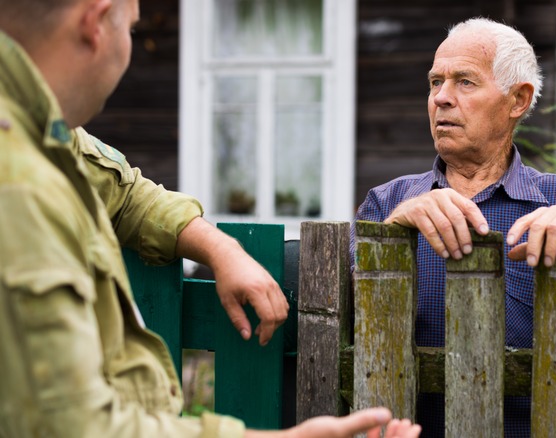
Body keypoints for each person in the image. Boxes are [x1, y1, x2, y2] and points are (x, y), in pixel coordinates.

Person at [0, 0, 421, 437]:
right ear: (96, 23)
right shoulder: (19, 186)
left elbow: (123, 193)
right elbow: (74, 427)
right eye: (131, 27)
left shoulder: (42, 133)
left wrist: (221, 248)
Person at [353, 17, 556, 437]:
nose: (441, 98)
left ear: (518, 100)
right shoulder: (387, 202)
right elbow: (340, 321)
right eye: (434, 82)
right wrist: (393, 231)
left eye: (464, 82)